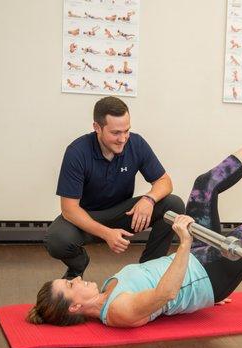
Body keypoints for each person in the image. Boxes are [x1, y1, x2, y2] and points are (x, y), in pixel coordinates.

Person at [30, 103, 242, 327]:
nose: (76, 280)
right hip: (206, 273)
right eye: (70, 285)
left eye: (71, 279)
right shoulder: (117, 311)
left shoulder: (108, 289)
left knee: (204, 185)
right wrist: (183, 243)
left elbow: (164, 287)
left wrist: (195, 287)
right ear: (75, 308)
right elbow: (165, 295)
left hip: (196, 263)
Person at [44, 96, 185, 279]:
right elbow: (69, 210)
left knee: (173, 205)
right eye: (116, 133)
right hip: (87, 217)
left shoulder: (136, 144)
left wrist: (149, 199)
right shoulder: (77, 152)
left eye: (127, 131)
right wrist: (107, 234)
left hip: (122, 214)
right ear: (97, 128)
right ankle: (77, 266)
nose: (123, 139)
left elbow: (165, 181)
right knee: (56, 240)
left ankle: (148, 272)